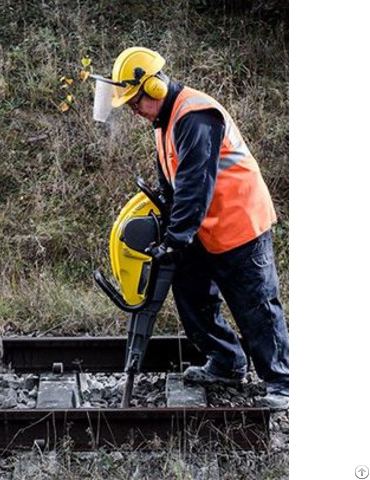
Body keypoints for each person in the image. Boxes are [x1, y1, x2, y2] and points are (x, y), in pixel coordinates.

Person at [97, 47, 289, 409]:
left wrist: (175, 238)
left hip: (240, 222)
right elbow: (169, 185)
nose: (134, 110)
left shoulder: (195, 116)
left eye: (136, 101)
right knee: (189, 292)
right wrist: (170, 233)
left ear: (154, 88)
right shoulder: (164, 121)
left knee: (256, 305)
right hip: (204, 227)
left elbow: (194, 185)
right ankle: (226, 362)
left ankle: (281, 381)